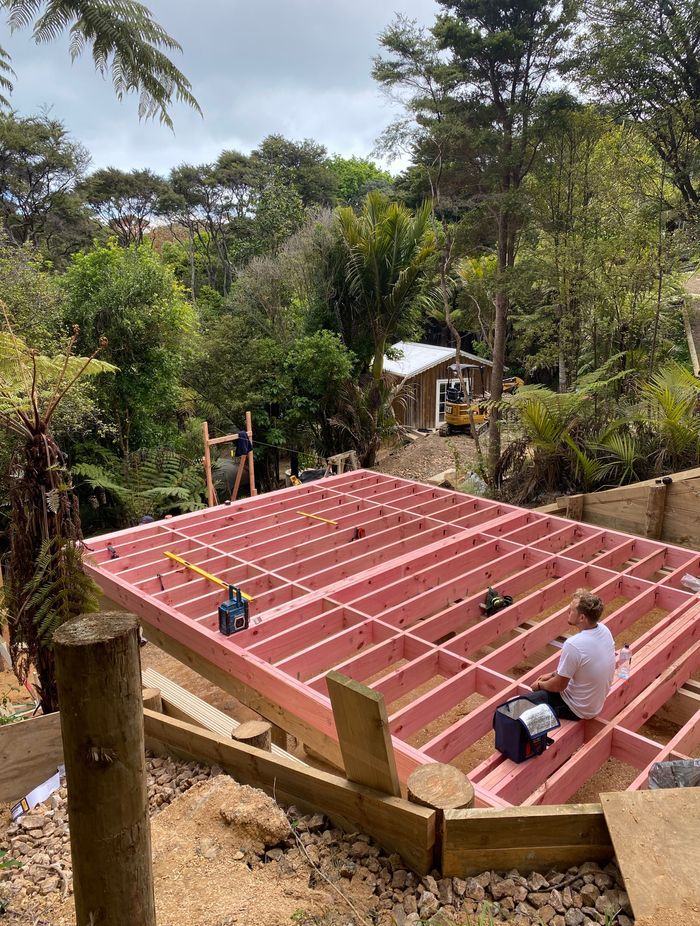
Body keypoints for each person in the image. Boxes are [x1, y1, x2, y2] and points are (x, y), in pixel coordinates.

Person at [530, 589, 615, 720]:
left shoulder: (573, 644)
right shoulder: (604, 630)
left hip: (576, 709)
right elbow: (578, 667)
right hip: (594, 704)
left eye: (571, 610)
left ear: (582, 618)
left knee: (524, 704)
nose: (567, 612)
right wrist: (552, 674)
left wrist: (539, 686)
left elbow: (559, 686)